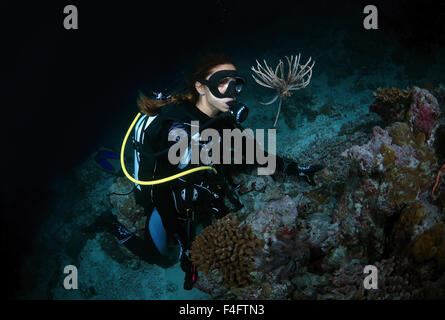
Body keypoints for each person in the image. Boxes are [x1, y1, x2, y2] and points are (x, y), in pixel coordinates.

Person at [105, 53, 324, 290]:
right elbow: (159, 188)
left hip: (191, 182)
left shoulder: (220, 118)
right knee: (158, 255)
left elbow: (254, 153)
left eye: (235, 83)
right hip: (160, 193)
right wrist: (184, 244)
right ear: (200, 87)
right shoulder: (176, 127)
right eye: (221, 82)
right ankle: (109, 224)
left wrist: (296, 169)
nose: (230, 90)